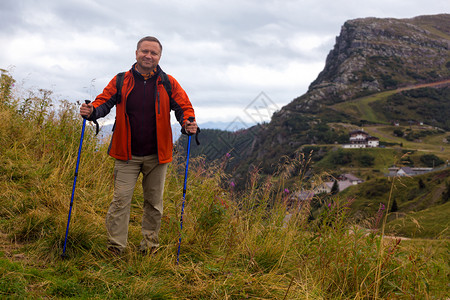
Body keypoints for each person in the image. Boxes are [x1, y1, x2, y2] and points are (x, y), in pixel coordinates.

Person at [80, 36, 198, 255]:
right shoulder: (121, 80)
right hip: (126, 154)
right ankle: (116, 249)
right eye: (145, 51)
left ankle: (149, 248)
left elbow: (184, 107)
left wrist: (188, 122)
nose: (148, 56)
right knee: (120, 202)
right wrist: (91, 111)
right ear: (136, 53)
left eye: (153, 53)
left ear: (159, 57)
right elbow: (103, 102)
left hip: (157, 155)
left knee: (154, 204)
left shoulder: (168, 82)